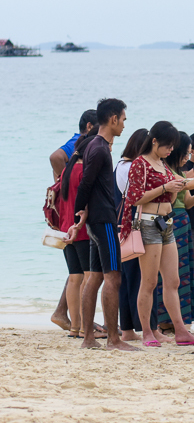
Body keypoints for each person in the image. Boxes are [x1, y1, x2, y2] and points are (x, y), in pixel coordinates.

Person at [125, 121, 194, 347]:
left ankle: (180, 330)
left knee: (173, 280)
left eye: (173, 147)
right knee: (148, 283)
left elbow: (182, 184)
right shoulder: (141, 163)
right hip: (148, 224)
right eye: (168, 146)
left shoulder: (162, 164)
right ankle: (147, 331)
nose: (171, 151)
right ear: (154, 141)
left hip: (166, 223)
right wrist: (164, 189)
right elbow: (135, 198)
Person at [70, 98, 137, 352]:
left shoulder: (94, 145)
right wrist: (79, 215)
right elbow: (85, 184)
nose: (123, 125)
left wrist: (82, 218)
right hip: (104, 220)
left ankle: (88, 339)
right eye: (123, 119)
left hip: (95, 220)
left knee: (95, 278)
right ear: (113, 119)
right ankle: (113, 339)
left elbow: (88, 185)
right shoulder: (99, 148)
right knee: (114, 278)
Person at [48, 108, 97, 332]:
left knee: (74, 276)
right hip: (82, 229)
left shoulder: (67, 171)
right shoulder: (82, 171)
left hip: (66, 227)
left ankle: (76, 326)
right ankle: (84, 325)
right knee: (88, 277)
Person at [151, 130, 194, 334]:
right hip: (171, 222)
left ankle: (179, 319)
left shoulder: (179, 172)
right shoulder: (166, 172)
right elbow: (184, 185)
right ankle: (166, 319)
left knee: (184, 272)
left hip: (183, 221)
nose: (187, 157)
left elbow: (187, 201)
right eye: (186, 153)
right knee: (171, 273)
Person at [115, 127, 149, 342]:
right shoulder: (132, 168)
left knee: (126, 279)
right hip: (135, 222)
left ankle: (127, 328)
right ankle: (146, 327)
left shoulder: (118, 165)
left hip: (121, 223)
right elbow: (139, 196)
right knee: (140, 278)